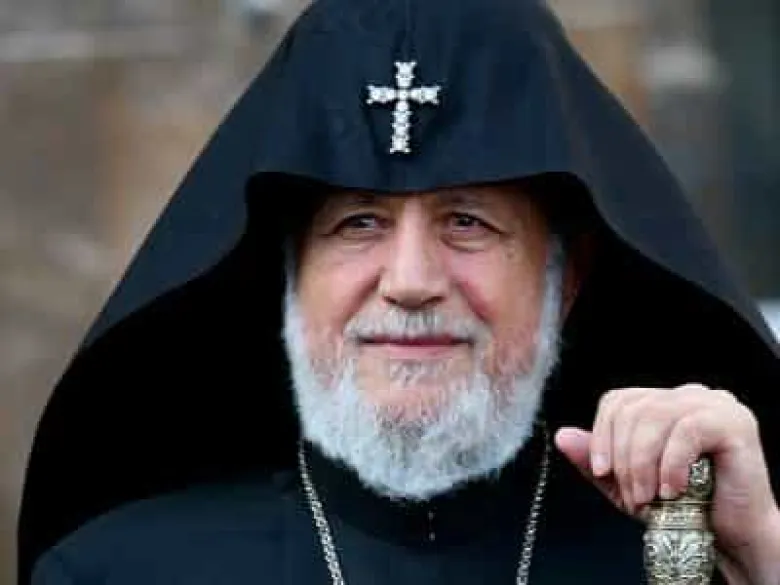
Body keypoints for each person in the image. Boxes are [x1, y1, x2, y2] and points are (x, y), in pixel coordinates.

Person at [18, 0, 780, 584]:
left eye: (467, 222)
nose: (410, 282)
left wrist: (763, 557)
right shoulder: (114, 572)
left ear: (565, 279)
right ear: (288, 277)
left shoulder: (687, 563)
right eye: (359, 223)